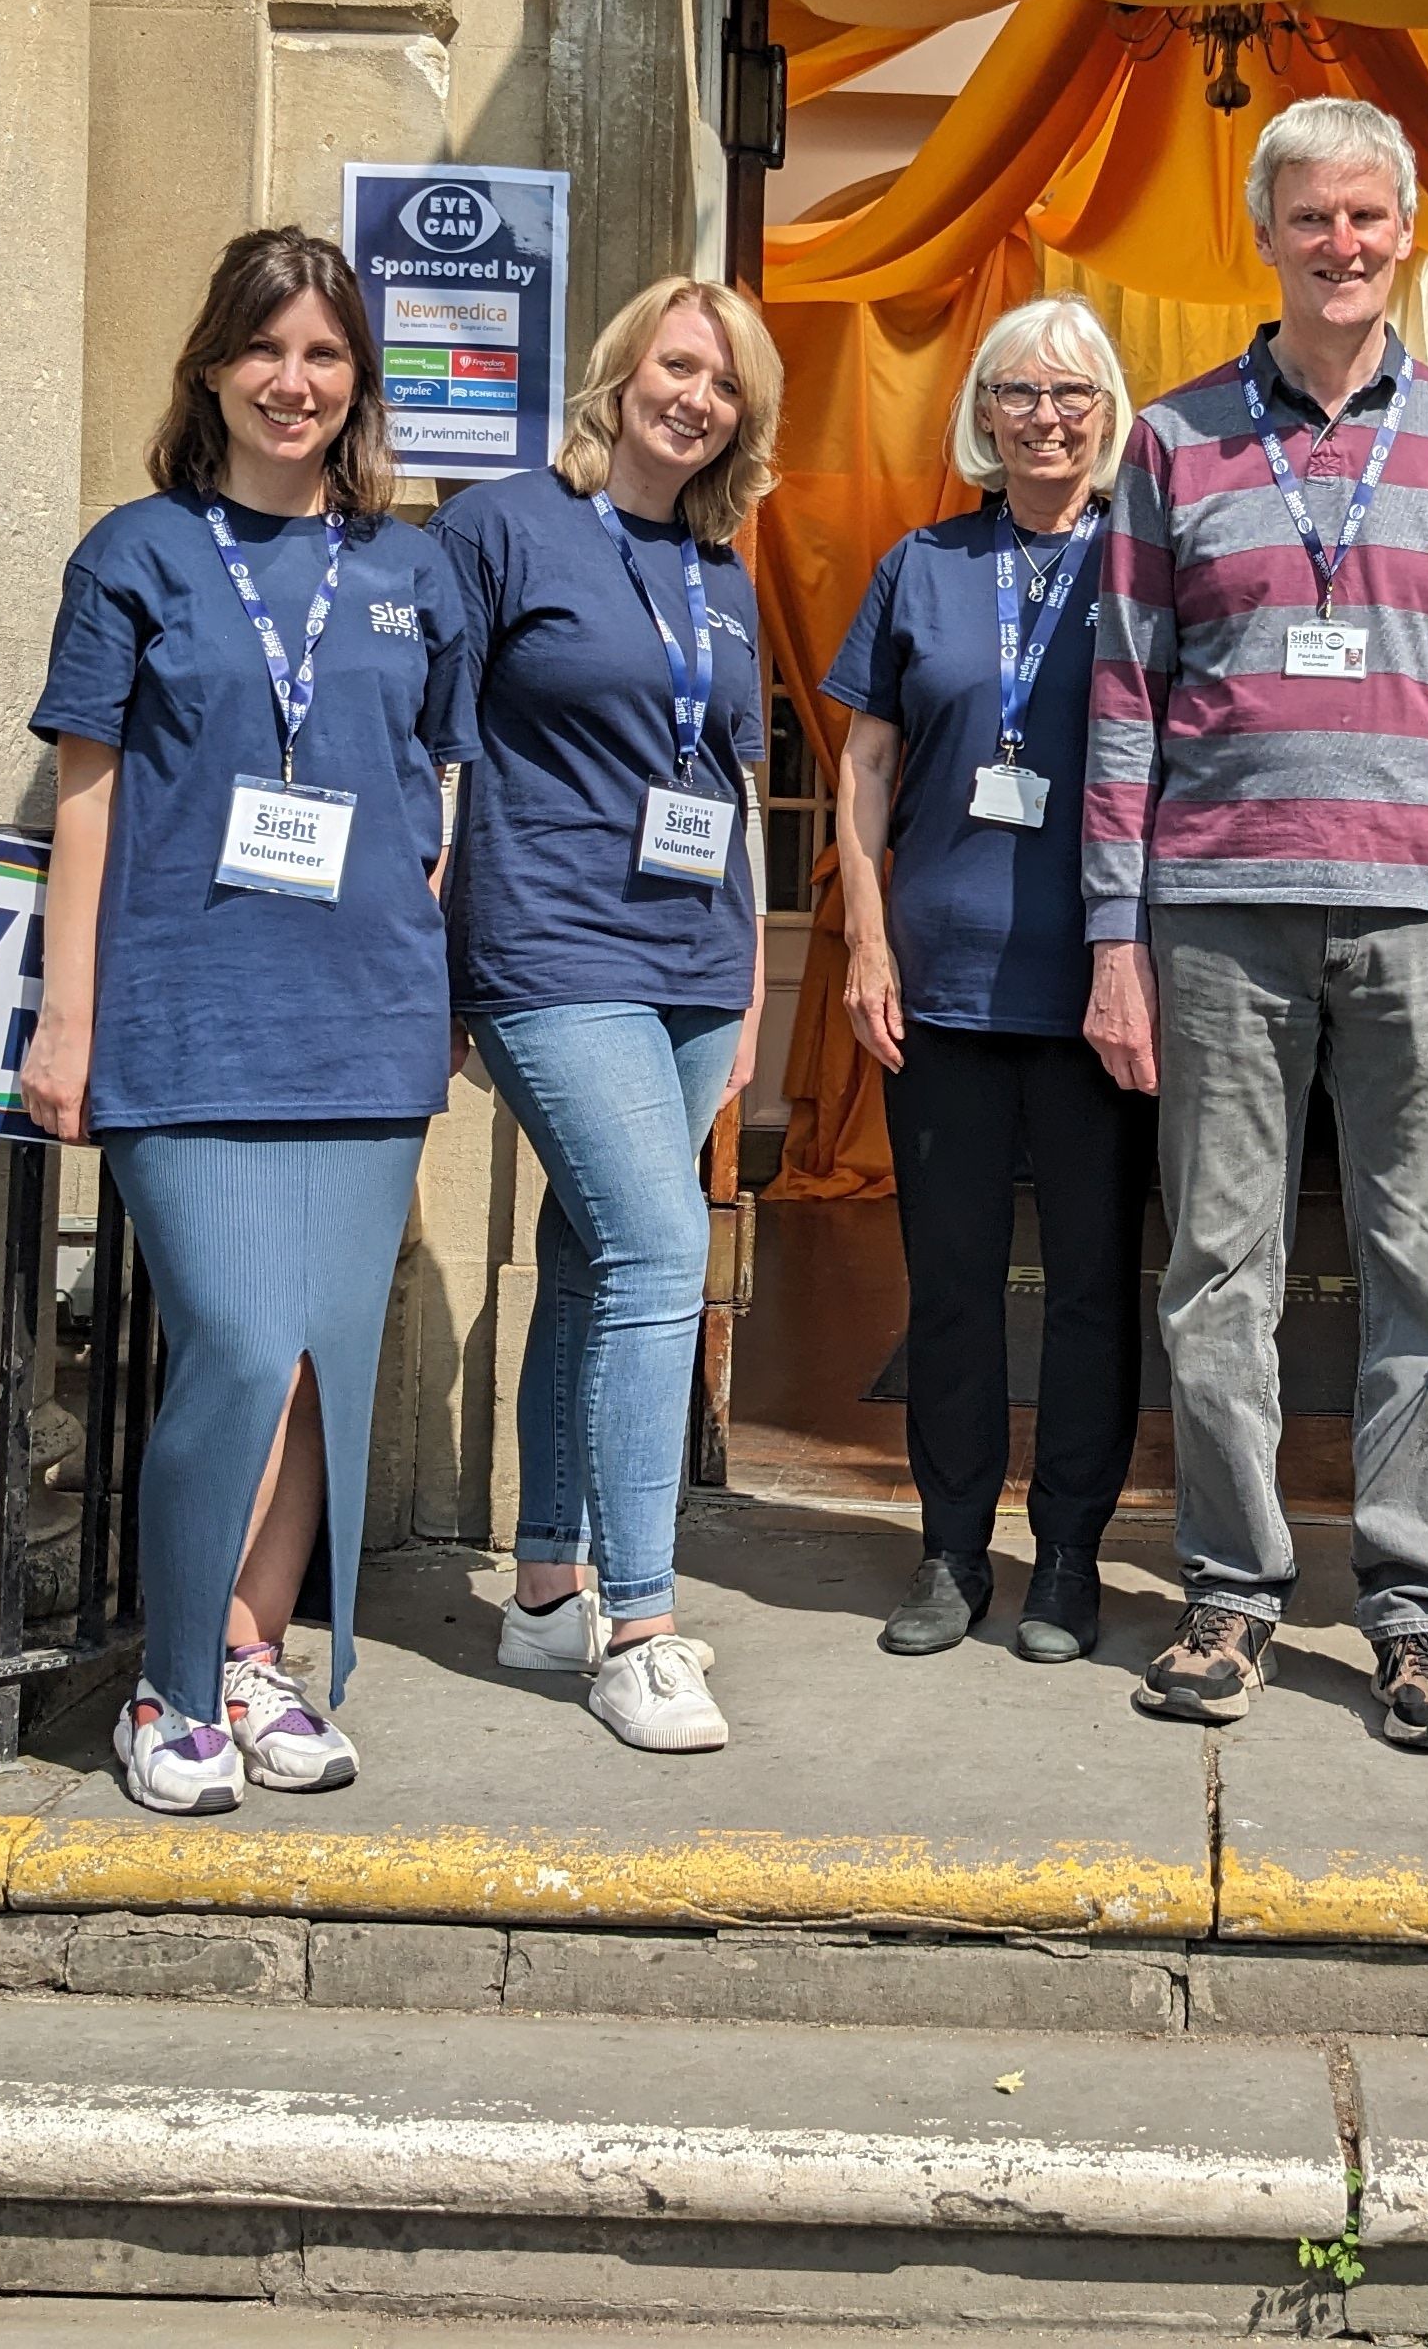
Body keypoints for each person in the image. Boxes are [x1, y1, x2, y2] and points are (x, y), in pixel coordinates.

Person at [1085, 96, 1428, 1757]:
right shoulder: (1171, 442)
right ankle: (1230, 1592)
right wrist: (1111, 938)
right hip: (1219, 913)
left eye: (1370, 218)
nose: (1345, 244)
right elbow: (1125, 711)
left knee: (1420, 1281)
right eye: (1315, 218)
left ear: (1408, 232)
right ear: (1268, 232)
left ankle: (1421, 1619)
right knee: (1215, 1270)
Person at [22, 228, 475, 1816]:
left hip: (363, 1021)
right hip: (185, 1009)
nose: (295, 383)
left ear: (358, 385)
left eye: (326, 356)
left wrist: (442, 972)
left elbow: (440, 796)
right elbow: (85, 807)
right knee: (226, 1337)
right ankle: (169, 1678)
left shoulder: (416, 569)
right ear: (213, 366)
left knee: (312, 1363)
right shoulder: (135, 554)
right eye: (267, 350)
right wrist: (65, 1021)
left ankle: (249, 1660)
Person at [439, 277, 779, 1754]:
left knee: (588, 1261)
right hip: (553, 944)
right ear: (621, 371)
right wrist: (427, 952)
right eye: (677, 365)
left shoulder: (727, 573)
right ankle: (642, 1624)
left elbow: (738, 790)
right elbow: (429, 742)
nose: (695, 397)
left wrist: (757, 979)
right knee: (659, 1246)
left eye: (726, 385)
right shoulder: (503, 525)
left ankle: (543, 1590)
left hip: (695, 959)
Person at [826, 295, 1151, 1662]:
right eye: (1020, 391)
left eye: (1074, 392)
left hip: (1100, 994)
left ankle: (1069, 1557)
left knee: (1091, 1286)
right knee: (950, 1284)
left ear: (1108, 411)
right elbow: (863, 768)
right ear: (984, 412)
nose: (1047, 416)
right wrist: (865, 937)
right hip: (943, 981)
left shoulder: (1147, 570)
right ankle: (952, 1553)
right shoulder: (924, 562)